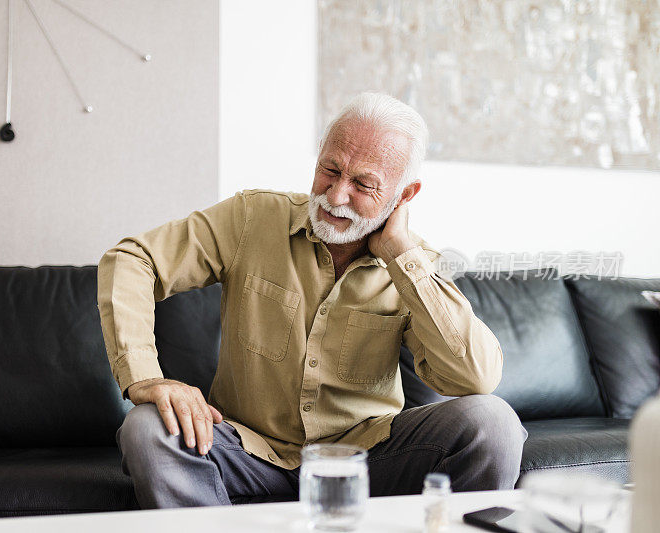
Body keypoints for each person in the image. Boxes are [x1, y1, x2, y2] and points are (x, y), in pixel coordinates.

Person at [97, 92, 527, 509]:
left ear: (405, 195)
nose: (336, 196)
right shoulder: (252, 218)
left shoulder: (416, 265)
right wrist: (147, 379)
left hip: (368, 459)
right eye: (330, 169)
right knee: (147, 428)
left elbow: (477, 379)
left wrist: (400, 254)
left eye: (363, 184)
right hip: (246, 451)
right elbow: (133, 259)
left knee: (494, 425)